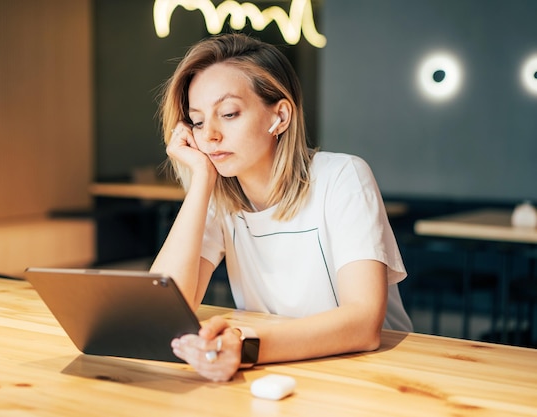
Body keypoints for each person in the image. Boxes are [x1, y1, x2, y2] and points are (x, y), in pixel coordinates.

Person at [150, 32, 412, 382]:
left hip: (373, 374)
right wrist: (200, 180)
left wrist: (245, 347)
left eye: (228, 113)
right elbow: (162, 313)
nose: (208, 135)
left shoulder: (343, 177)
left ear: (280, 117)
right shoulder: (218, 196)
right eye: (197, 121)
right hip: (275, 370)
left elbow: (364, 324)